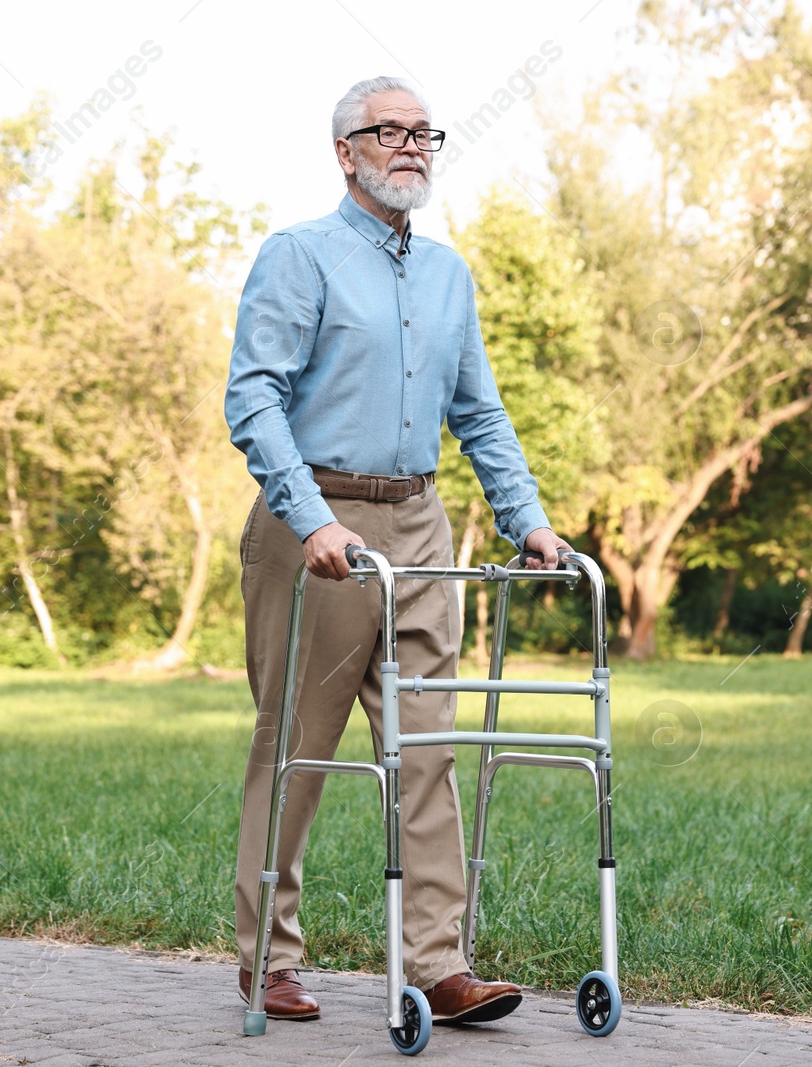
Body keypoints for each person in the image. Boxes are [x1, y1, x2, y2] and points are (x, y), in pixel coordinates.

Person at [224, 75, 571, 1025]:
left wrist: (526, 516)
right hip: (319, 529)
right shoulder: (301, 256)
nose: (412, 145)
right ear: (347, 152)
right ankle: (268, 958)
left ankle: (438, 962)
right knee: (295, 746)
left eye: (425, 133)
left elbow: (480, 411)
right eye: (389, 131)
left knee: (429, 748)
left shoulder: (450, 272)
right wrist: (310, 520)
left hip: (421, 527)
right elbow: (252, 399)